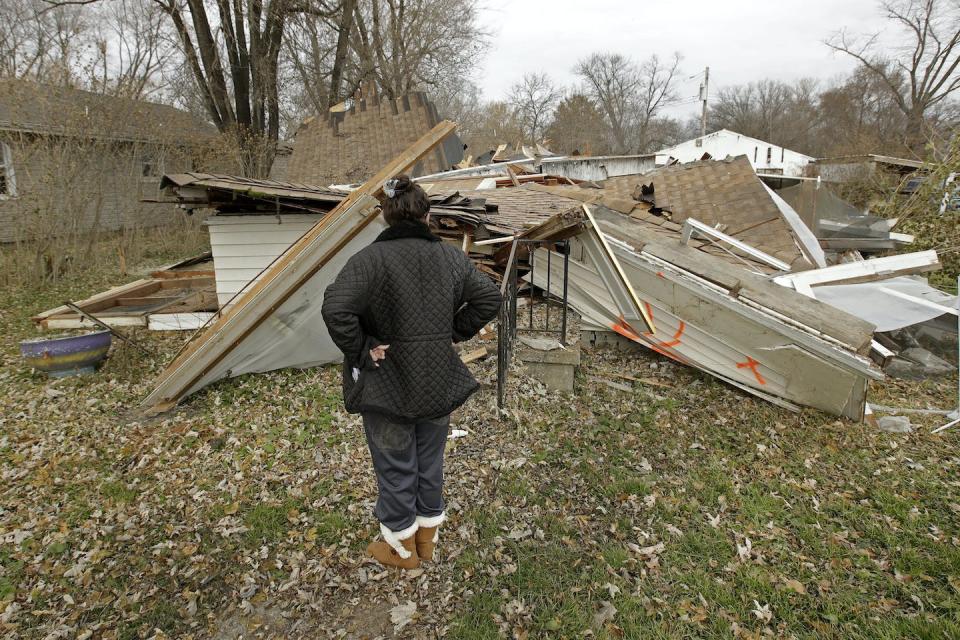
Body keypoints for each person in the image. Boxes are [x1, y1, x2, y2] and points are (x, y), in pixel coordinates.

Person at [321, 174, 502, 569]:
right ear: (428, 214)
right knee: (429, 461)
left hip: (388, 387)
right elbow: (490, 296)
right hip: (436, 382)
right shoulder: (451, 258)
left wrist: (362, 350)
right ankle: (425, 544)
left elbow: (336, 308)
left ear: (386, 216)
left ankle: (401, 551)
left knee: (395, 464)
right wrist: (452, 332)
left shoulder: (369, 259)